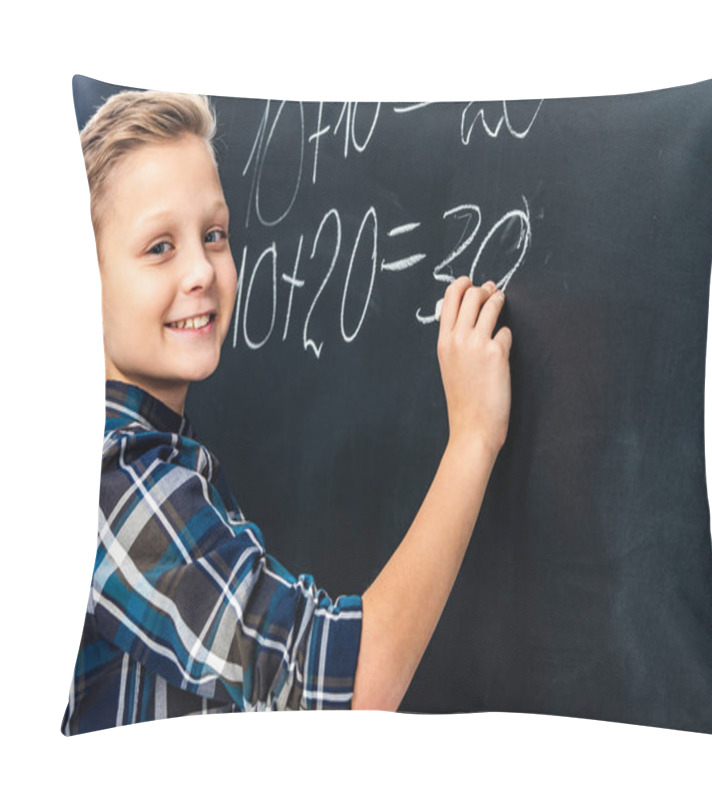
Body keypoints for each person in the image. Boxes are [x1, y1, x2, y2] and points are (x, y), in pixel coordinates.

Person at [61, 90, 512, 734]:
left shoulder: (156, 460)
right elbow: (343, 688)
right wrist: (473, 436)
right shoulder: (114, 478)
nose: (202, 271)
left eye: (214, 235)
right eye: (159, 247)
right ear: (80, 278)